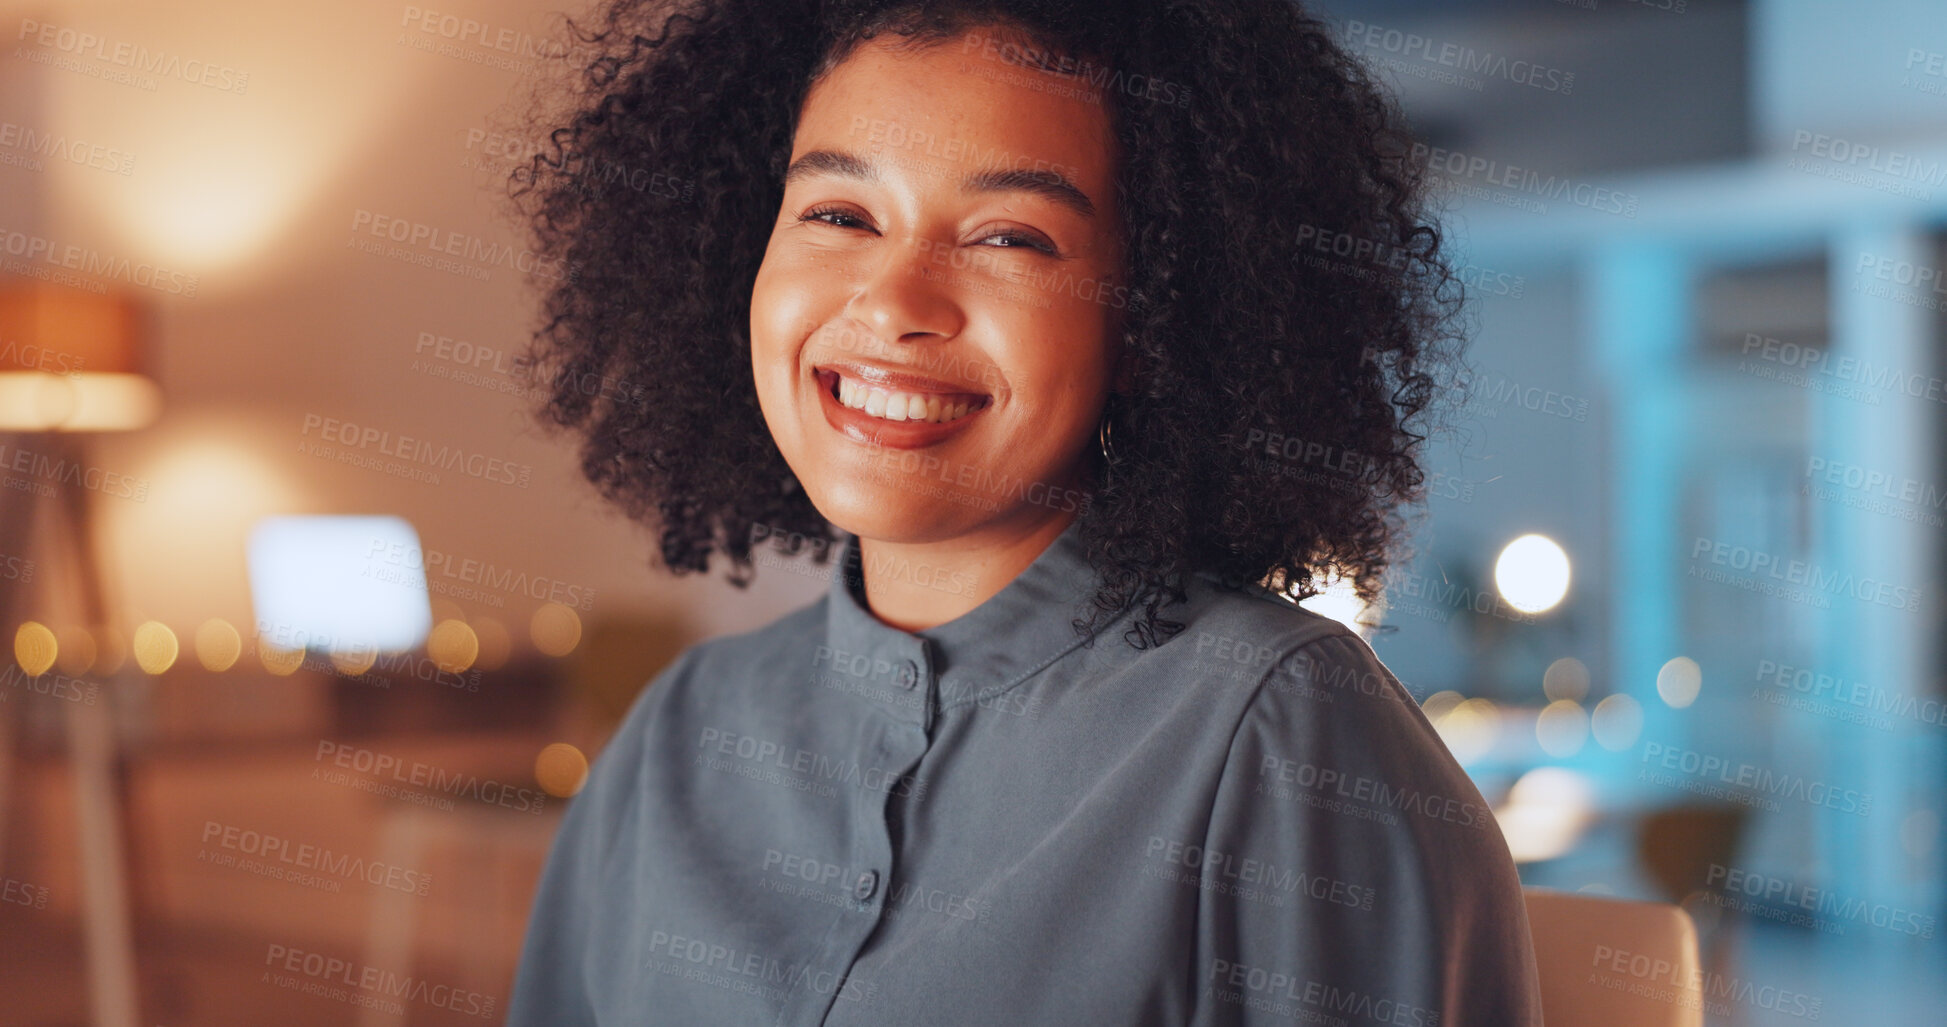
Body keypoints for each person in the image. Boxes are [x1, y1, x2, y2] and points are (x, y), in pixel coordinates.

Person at [504, 0, 1542, 1023]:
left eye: (1010, 237)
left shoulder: (1282, 736)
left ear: (1155, 319)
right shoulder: (680, 730)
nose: (895, 304)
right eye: (838, 214)